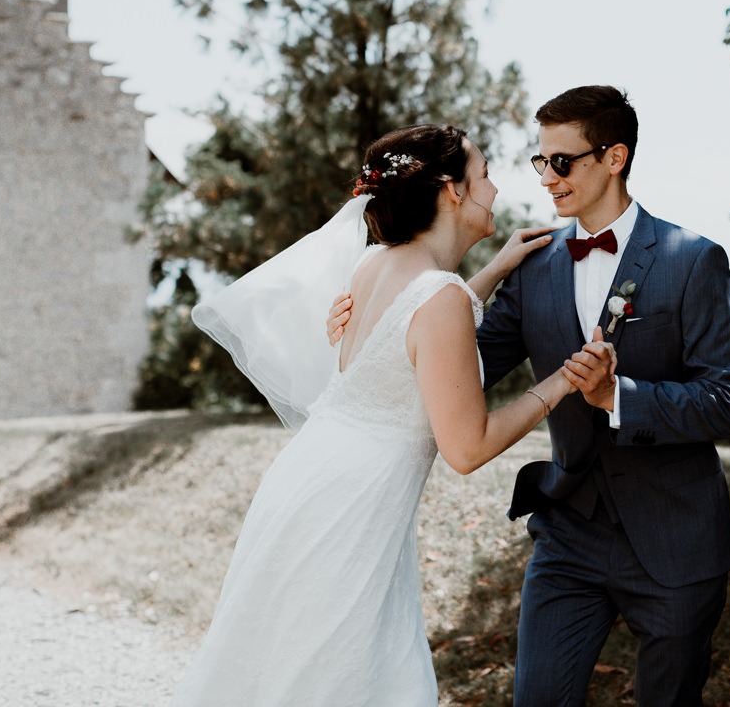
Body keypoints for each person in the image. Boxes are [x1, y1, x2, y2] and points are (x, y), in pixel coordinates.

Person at [170, 123, 617, 707]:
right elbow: (466, 447)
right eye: (483, 175)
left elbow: (420, 325)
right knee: (343, 676)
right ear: (451, 191)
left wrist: (497, 267)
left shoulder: (374, 266)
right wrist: (559, 383)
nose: (496, 191)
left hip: (306, 484)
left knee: (281, 665)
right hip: (352, 513)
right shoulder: (441, 298)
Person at [332, 85, 730, 707]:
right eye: (539, 161)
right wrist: (370, 331)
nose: (546, 177)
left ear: (615, 158)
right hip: (567, 535)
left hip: (678, 540)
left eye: (562, 161)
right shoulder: (531, 263)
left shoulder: (694, 260)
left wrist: (619, 397)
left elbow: (726, 401)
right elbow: (459, 365)